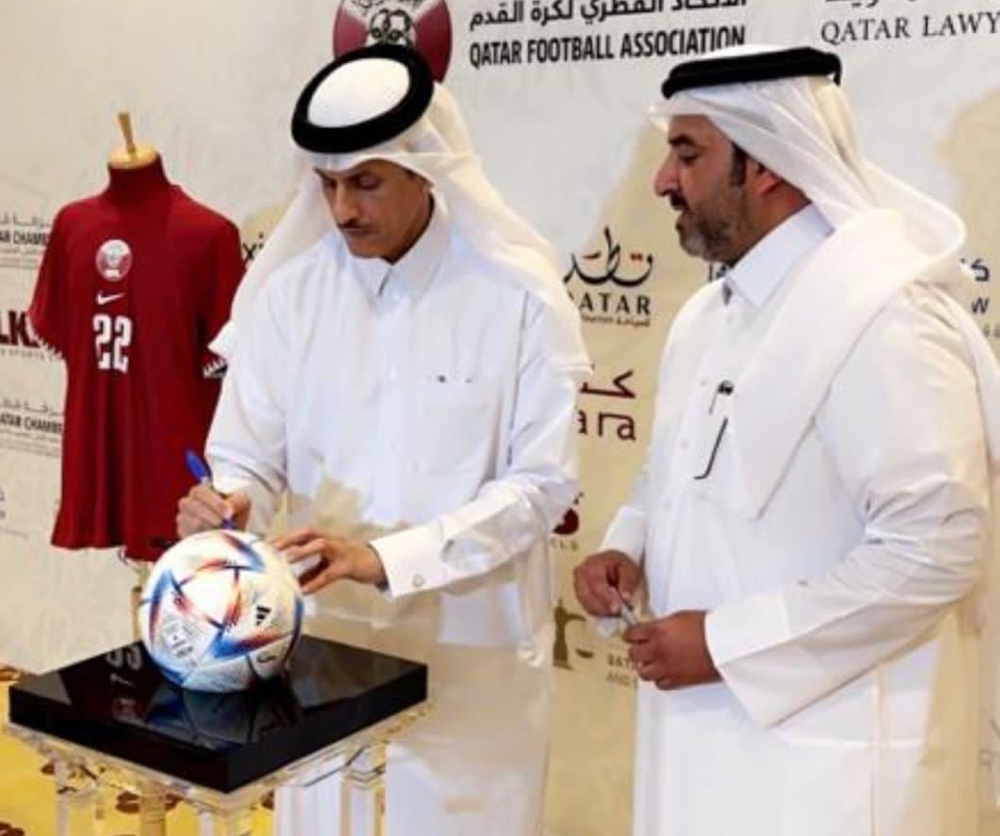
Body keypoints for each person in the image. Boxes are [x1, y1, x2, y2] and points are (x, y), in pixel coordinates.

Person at [573, 44, 1000, 836]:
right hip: (704, 744)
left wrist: (726, 644)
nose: (664, 181)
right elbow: (673, 475)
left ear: (766, 163)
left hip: (827, 772)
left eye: (688, 153)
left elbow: (938, 547)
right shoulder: (711, 313)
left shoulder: (882, 318)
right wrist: (625, 544)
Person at [176, 44, 589, 836]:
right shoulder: (289, 296)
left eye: (366, 182)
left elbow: (540, 487)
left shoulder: (518, 296)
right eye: (327, 185)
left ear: (425, 168)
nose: (342, 211)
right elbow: (248, 454)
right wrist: (230, 500)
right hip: (320, 657)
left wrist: (382, 559)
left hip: (472, 668)